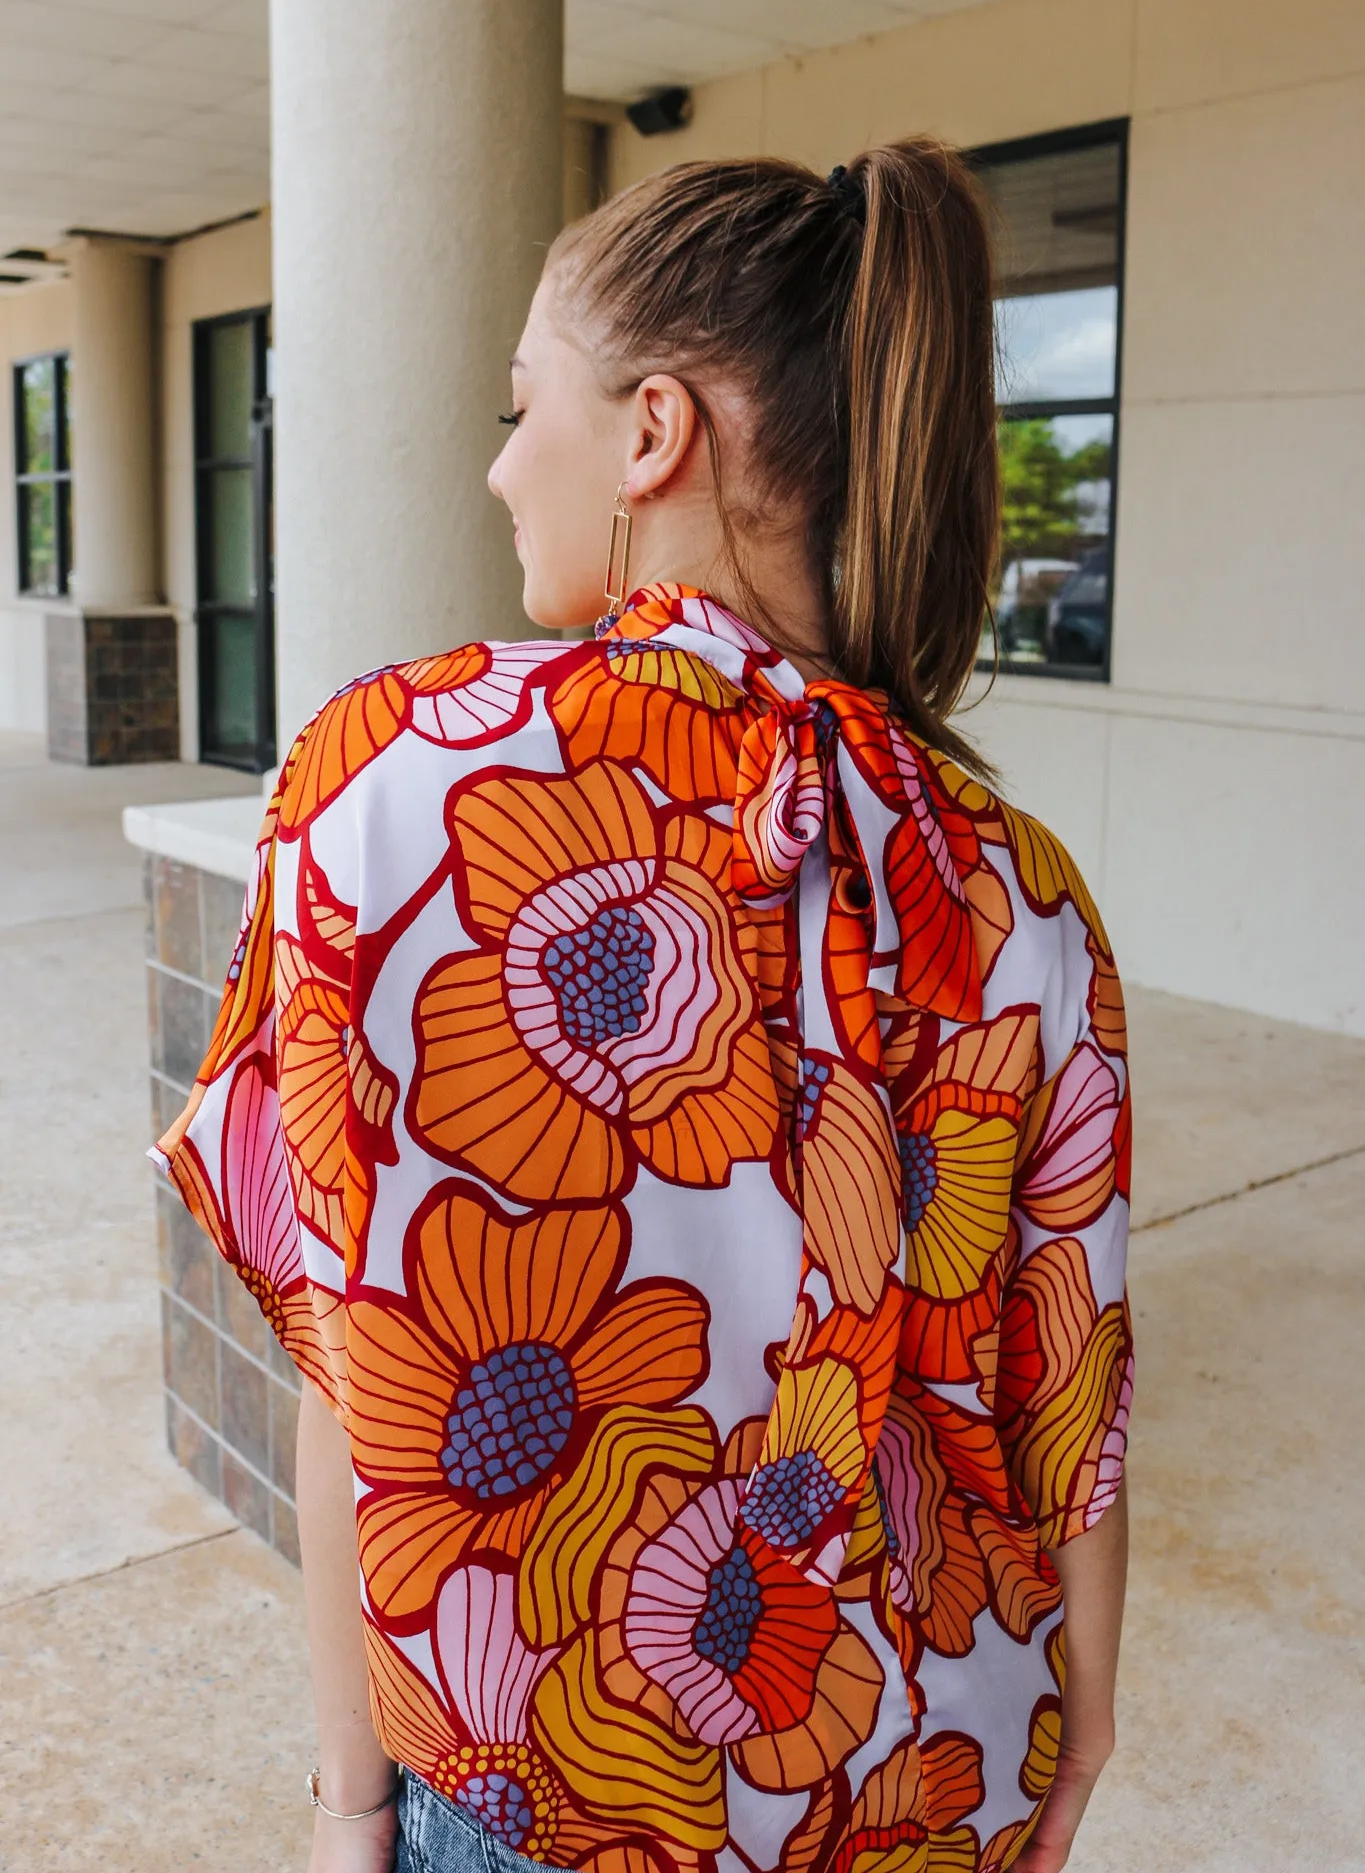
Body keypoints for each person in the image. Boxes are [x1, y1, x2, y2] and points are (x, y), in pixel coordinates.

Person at [155, 141, 1133, 1873]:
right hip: (923, 1777)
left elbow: (354, 1365)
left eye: (528, 405)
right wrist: (1085, 1726)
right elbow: (1070, 1398)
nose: (497, 463)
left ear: (655, 433)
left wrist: (347, 1799)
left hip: (557, 1801)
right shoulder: (1021, 885)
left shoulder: (395, 781)